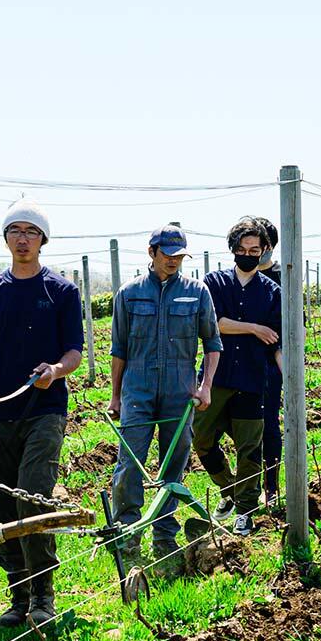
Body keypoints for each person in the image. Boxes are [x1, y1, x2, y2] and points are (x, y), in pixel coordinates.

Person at [0, 201, 84, 628]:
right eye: (15, 231)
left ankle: (44, 592)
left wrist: (56, 371)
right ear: (6, 238)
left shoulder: (61, 291)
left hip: (44, 409)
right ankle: (18, 595)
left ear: (42, 239)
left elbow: (74, 352)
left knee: (32, 497)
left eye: (31, 231)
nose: (22, 238)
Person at [109, 225, 221, 576]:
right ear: (151, 252)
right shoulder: (128, 295)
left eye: (179, 256)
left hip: (180, 390)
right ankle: (126, 534)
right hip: (138, 389)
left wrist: (205, 387)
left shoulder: (196, 292)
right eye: (167, 254)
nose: (173, 261)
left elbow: (213, 344)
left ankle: (164, 534)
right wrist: (115, 396)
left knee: (173, 465)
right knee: (130, 462)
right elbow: (119, 350)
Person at [196, 218, 282, 535]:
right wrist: (253, 329)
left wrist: (292, 379)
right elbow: (213, 323)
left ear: (263, 252)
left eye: (254, 250)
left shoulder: (272, 293)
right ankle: (229, 488)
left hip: (252, 379)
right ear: (233, 249)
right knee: (201, 438)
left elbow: (277, 343)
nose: (248, 254)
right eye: (242, 249)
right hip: (214, 377)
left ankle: (245, 512)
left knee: (250, 449)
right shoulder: (214, 283)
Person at [251, 217, 285, 506]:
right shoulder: (236, 278)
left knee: (268, 424)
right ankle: (244, 486)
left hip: (270, 365)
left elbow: (289, 330)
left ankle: (270, 487)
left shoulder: (281, 280)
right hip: (237, 361)